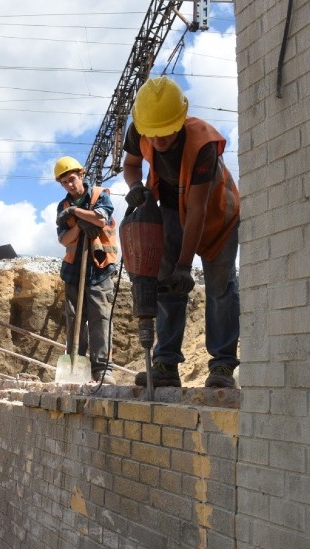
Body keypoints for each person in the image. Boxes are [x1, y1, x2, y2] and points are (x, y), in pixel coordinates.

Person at [122, 76, 240, 388]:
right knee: (165, 283)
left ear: (180, 119)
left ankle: (223, 366)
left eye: (166, 133)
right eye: (153, 134)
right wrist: (135, 187)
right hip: (172, 206)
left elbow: (198, 210)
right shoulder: (140, 127)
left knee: (220, 288)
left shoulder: (203, 143)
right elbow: (131, 165)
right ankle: (165, 364)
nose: (158, 140)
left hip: (215, 211)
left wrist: (185, 266)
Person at [53, 156, 120, 384]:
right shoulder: (62, 207)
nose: (70, 185)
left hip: (99, 268)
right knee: (75, 320)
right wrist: (81, 226)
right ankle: (76, 364)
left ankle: (102, 369)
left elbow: (101, 218)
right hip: (73, 270)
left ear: (81, 175)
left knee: (101, 317)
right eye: (65, 182)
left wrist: (76, 212)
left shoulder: (98, 195)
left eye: (72, 179)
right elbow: (64, 239)